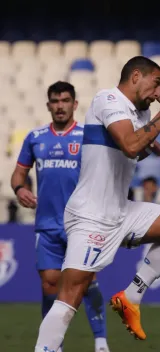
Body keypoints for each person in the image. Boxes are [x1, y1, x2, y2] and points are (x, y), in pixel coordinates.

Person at [34, 56, 160, 352]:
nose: (159, 92)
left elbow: (128, 151)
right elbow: (130, 144)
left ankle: (131, 296)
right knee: (71, 292)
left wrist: (147, 145)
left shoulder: (140, 115)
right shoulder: (107, 99)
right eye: (157, 83)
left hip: (121, 211)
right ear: (136, 76)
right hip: (90, 216)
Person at [12, 81, 111, 352]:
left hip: (81, 224)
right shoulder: (35, 137)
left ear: (74, 104)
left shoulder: (87, 135)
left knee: (88, 282)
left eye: (65, 100)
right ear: (48, 105)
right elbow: (19, 174)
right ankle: (53, 345)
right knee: (49, 285)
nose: (60, 106)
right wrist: (20, 189)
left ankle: (101, 342)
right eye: (55, 101)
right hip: (47, 226)